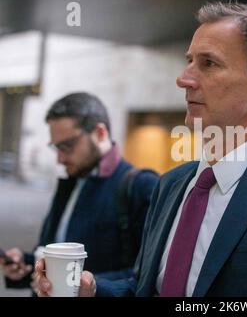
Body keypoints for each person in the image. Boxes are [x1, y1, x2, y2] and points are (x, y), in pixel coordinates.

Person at [35, 2, 247, 297]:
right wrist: (92, 289)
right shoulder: (170, 185)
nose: (184, 78)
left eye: (208, 64)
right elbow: (148, 287)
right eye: (189, 60)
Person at [0, 92, 159, 294]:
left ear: (100, 133)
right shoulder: (72, 178)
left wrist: (90, 287)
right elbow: (56, 254)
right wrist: (26, 264)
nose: (60, 158)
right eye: (56, 147)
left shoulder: (142, 186)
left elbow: (148, 275)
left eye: (67, 146)